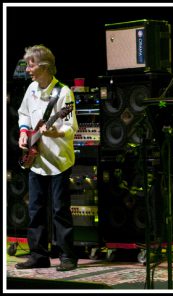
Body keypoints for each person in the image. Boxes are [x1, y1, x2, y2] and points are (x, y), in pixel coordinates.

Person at [15, 45, 79, 271]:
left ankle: (67, 256)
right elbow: (23, 113)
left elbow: (71, 128)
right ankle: (38, 255)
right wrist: (24, 132)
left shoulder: (64, 93)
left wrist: (54, 132)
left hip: (59, 160)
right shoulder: (31, 88)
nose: (28, 69)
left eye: (30, 64)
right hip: (37, 160)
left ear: (43, 66)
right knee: (35, 209)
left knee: (60, 210)